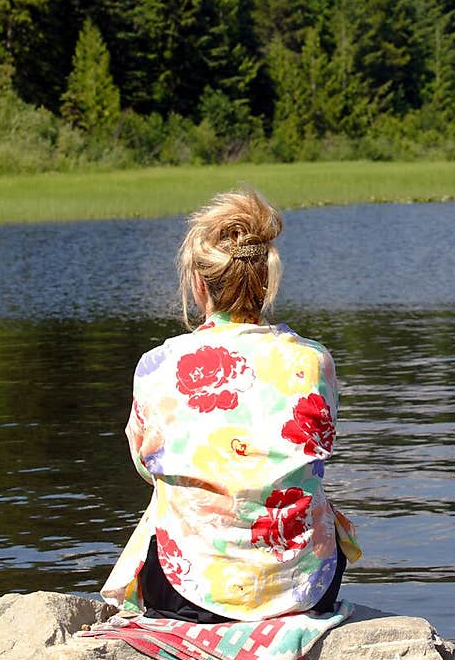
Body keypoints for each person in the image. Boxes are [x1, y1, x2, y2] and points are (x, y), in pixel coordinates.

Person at [100, 186, 360, 625]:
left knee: (165, 500)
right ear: (266, 278)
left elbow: (148, 469)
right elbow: (318, 453)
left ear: (199, 284)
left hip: (188, 591)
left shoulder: (158, 365)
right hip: (303, 585)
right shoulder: (313, 360)